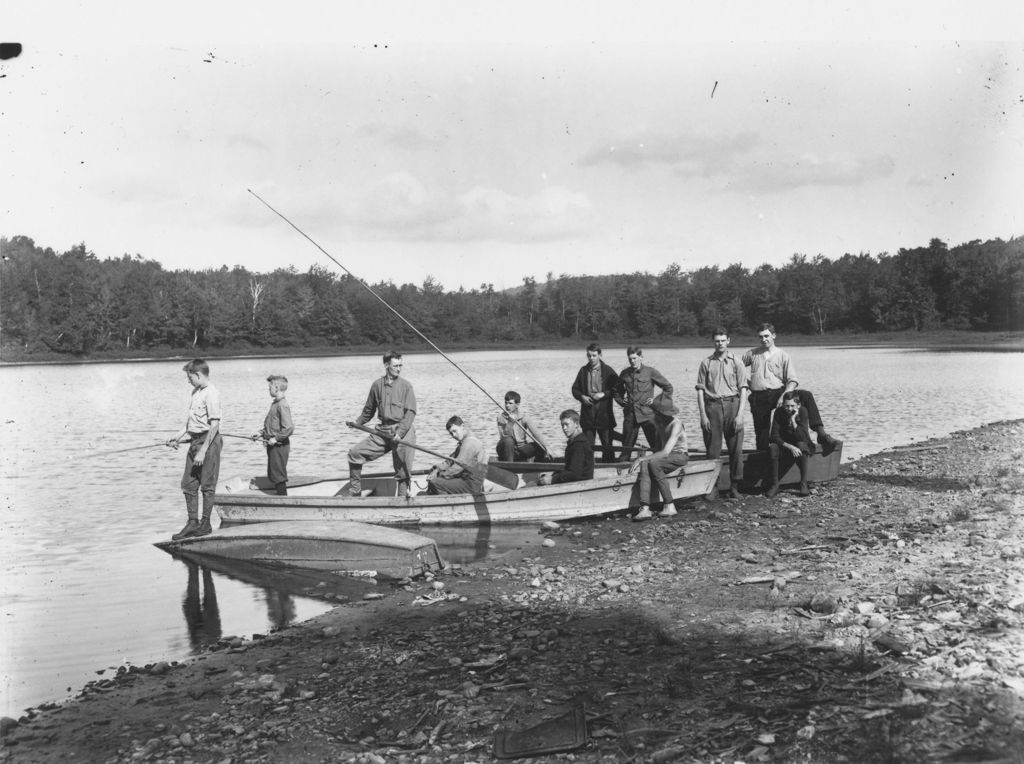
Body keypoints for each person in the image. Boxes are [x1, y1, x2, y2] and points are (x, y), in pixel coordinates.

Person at [742, 323, 839, 453]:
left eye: (766, 336)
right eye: (760, 337)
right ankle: (765, 461)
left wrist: (784, 396)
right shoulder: (752, 354)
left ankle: (821, 434)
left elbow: (792, 380)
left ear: (774, 336)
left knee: (806, 395)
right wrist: (747, 382)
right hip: (758, 397)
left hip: (778, 392)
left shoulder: (783, 355)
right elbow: (736, 368)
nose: (763, 339)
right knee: (762, 436)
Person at [166, 359, 223, 539]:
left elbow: (214, 425)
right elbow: (191, 423)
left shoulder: (211, 394)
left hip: (209, 442)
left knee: (207, 486)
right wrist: (177, 436)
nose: (188, 380)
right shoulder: (195, 392)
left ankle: (205, 525)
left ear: (198, 375)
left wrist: (203, 450)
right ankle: (192, 523)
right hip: (195, 441)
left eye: (189, 377)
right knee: (188, 484)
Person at [348, 351, 416, 498]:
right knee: (354, 453)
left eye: (400, 365)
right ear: (386, 365)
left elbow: (410, 413)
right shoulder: (376, 385)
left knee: (402, 472)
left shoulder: (406, 386)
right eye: (395, 365)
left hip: (403, 432)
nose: (399, 369)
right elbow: (368, 410)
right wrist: (357, 422)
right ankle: (355, 493)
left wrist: (400, 433)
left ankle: (402, 501)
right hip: (382, 431)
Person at [695, 328, 750, 499]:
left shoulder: (737, 362)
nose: (720, 343)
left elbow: (743, 389)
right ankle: (713, 487)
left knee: (736, 450)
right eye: (717, 340)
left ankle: (735, 486)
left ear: (728, 341)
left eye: (723, 340)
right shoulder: (706, 363)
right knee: (713, 450)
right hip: (712, 407)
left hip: (732, 405)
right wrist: (703, 414)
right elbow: (700, 391)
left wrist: (740, 415)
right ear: (713, 342)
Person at [629, 394, 689, 521]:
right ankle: (645, 508)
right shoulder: (658, 421)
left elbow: (666, 452)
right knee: (645, 464)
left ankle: (669, 505)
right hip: (666, 457)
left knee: (652, 463)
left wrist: (641, 458)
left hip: (679, 456)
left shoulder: (676, 424)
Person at [618, 346, 674, 459]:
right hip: (630, 415)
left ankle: (661, 468)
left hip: (648, 415)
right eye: (630, 359)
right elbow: (616, 390)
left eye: (635, 358)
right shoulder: (624, 373)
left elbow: (668, 388)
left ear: (641, 357)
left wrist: (656, 401)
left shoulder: (650, 372)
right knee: (626, 449)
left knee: (656, 446)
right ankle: (622, 471)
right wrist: (621, 400)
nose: (632, 361)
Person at [571, 343, 620, 463]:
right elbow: (574, 389)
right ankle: (588, 470)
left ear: (600, 355)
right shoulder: (583, 371)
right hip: (588, 414)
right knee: (587, 446)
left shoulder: (608, 371)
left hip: (604, 414)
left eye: (594, 355)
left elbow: (617, 389)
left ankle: (609, 469)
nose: (591, 358)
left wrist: (604, 394)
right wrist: (582, 397)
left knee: (607, 446)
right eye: (589, 356)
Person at [252, 374, 294, 496]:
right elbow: (272, 425)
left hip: (279, 446)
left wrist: (275, 439)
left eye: (269, 386)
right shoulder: (275, 403)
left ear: (276, 388)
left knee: (278, 475)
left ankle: (283, 502)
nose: (268, 389)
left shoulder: (282, 405)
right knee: (274, 473)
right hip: (273, 444)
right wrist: (260, 434)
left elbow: (289, 428)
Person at [424, 416, 488, 495]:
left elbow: (457, 467)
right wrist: (437, 469)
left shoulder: (469, 443)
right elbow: (450, 461)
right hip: (464, 479)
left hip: (471, 484)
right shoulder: (463, 443)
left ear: (462, 426)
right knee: (436, 481)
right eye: (451, 433)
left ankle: (448, 504)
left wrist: (439, 475)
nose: (453, 435)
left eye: (455, 431)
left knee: (435, 483)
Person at [766, 391, 813, 498]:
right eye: (786, 406)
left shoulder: (803, 411)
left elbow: (802, 437)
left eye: (792, 406)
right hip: (784, 444)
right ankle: (775, 484)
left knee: (802, 446)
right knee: (773, 448)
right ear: (783, 405)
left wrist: (793, 420)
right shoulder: (778, 412)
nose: (789, 409)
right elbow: (773, 436)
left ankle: (803, 483)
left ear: (798, 405)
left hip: (799, 442)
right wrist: (790, 447)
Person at [536, 410, 594, 486]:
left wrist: (553, 479)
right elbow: (570, 469)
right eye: (562, 425)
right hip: (577, 482)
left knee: (534, 484)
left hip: (581, 485)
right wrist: (554, 475)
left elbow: (574, 474)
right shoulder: (575, 442)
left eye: (567, 424)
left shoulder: (579, 445)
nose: (564, 428)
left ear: (576, 424)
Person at [495, 391, 551, 462]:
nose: (507, 405)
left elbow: (536, 433)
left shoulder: (524, 416)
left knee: (539, 446)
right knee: (509, 440)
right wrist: (510, 422)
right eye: (506, 403)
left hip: (519, 451)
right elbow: (504, 436)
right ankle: (510, 466)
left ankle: (535, 469)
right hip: (505, 450)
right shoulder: (501, 416)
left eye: (510, 403)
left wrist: (547, 447)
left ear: (517, 405)